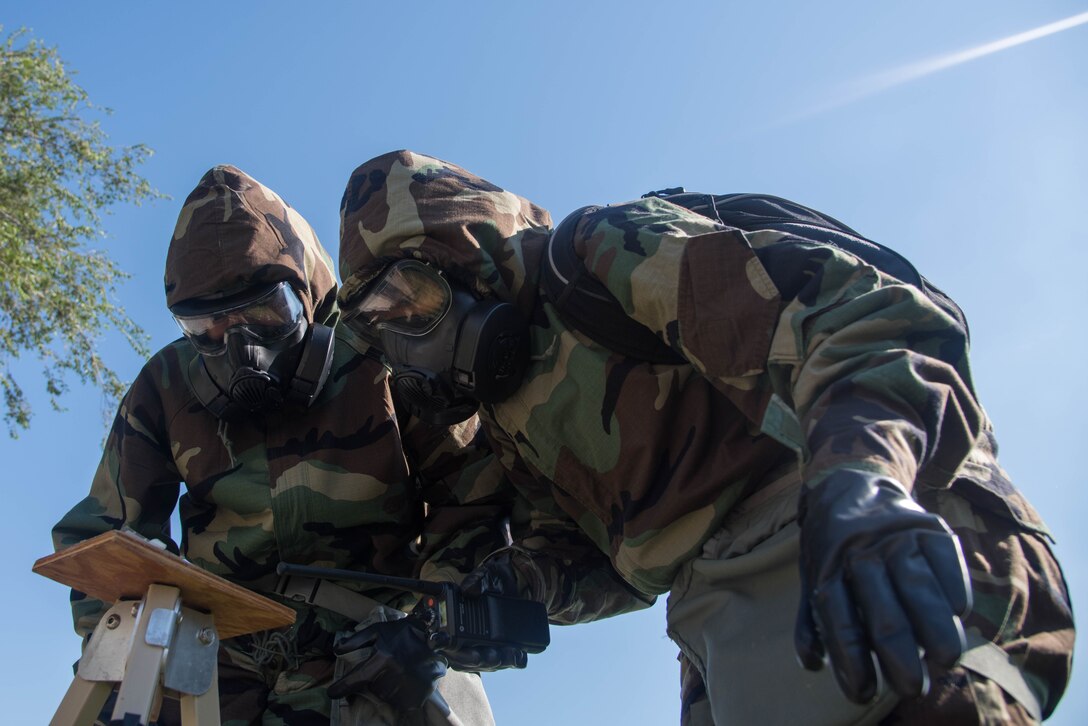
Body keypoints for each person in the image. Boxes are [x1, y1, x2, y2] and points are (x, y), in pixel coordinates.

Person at [336, 150, 1075, 724]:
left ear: (471, 255)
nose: (406, 344)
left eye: (414, 301)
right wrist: (517, 588)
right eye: (381, 330)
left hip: (874, 542)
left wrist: (866, 478)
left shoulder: (599, 256)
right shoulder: (505, 416)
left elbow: (862, 322)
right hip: (722, 626)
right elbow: (605, 559)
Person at [52, 165, 509, 725]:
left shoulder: (389, 349)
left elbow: (471, 504)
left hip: (375, 649)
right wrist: (119, 663)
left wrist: (426, 636)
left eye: (265, 316)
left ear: (308, 295)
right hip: (216, 656)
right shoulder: (166, 384)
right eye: (208, 331)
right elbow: (104, 538)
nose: (241, 352)